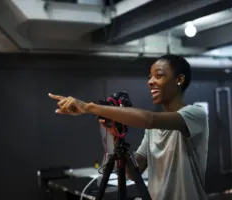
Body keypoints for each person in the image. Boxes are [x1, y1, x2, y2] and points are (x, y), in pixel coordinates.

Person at [48, 54, 209, 200]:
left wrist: (88, 107)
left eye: (159, 76)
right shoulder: (152, 130)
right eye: (150, 77)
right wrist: (115, 135)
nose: (150, 81)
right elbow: (133, 173)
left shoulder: (195, 114)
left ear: (179, 80)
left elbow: (149, 119)